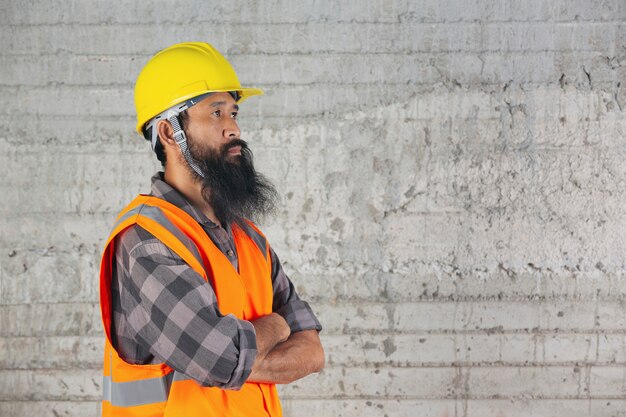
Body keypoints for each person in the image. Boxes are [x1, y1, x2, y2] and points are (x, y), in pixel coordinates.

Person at [98, 42, 324, 417]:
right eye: (215, 113)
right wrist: (278, 325)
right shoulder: (145, 240)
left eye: (233, 112)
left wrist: (239, 358)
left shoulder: (249, 238)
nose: (233, 128)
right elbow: (221, 359)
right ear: (171, 134)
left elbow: (313, 353)